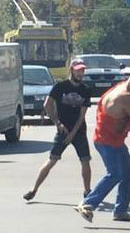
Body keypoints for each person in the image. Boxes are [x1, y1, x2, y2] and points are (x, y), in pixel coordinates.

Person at [77, 73, 130, 224]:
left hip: (112, 140)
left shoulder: (124, 85)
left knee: (128, 174)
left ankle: (120, 211)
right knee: (114, 174)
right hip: (107, 142)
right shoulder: (126, 97)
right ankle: (87, 204)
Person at [24, 58, 92, 203]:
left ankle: (87, 192)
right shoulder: (60, 86)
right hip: (62, 130)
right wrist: (57, 123)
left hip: (78, 131)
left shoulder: (85, 90)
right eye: (78, 70)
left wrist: (73, 133)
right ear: (71, 70)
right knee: (52, 160)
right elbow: (47, 104)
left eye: (82, 70)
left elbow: (82, 116)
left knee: (85, 161)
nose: (80, 73)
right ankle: (33, 190)